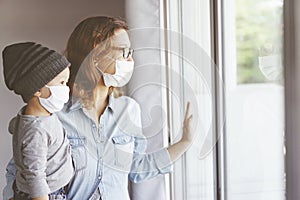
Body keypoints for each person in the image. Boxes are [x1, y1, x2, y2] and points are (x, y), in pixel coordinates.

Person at [3, 16, 194, 200]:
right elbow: (21, 170)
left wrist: (185, 142)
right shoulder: (53, 112)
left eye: (131, 52)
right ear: (96, 54)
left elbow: (138, 168)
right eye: (124, 51)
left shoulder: (129, 110)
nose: (130, 60)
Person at [2, 42, 74, 200]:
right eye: (61, 83)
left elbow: (14, 127)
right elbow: (35, 176)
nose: (66, 88)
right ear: (37, 90)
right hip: (49, 194)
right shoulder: (36, 131)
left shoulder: (32, 118)